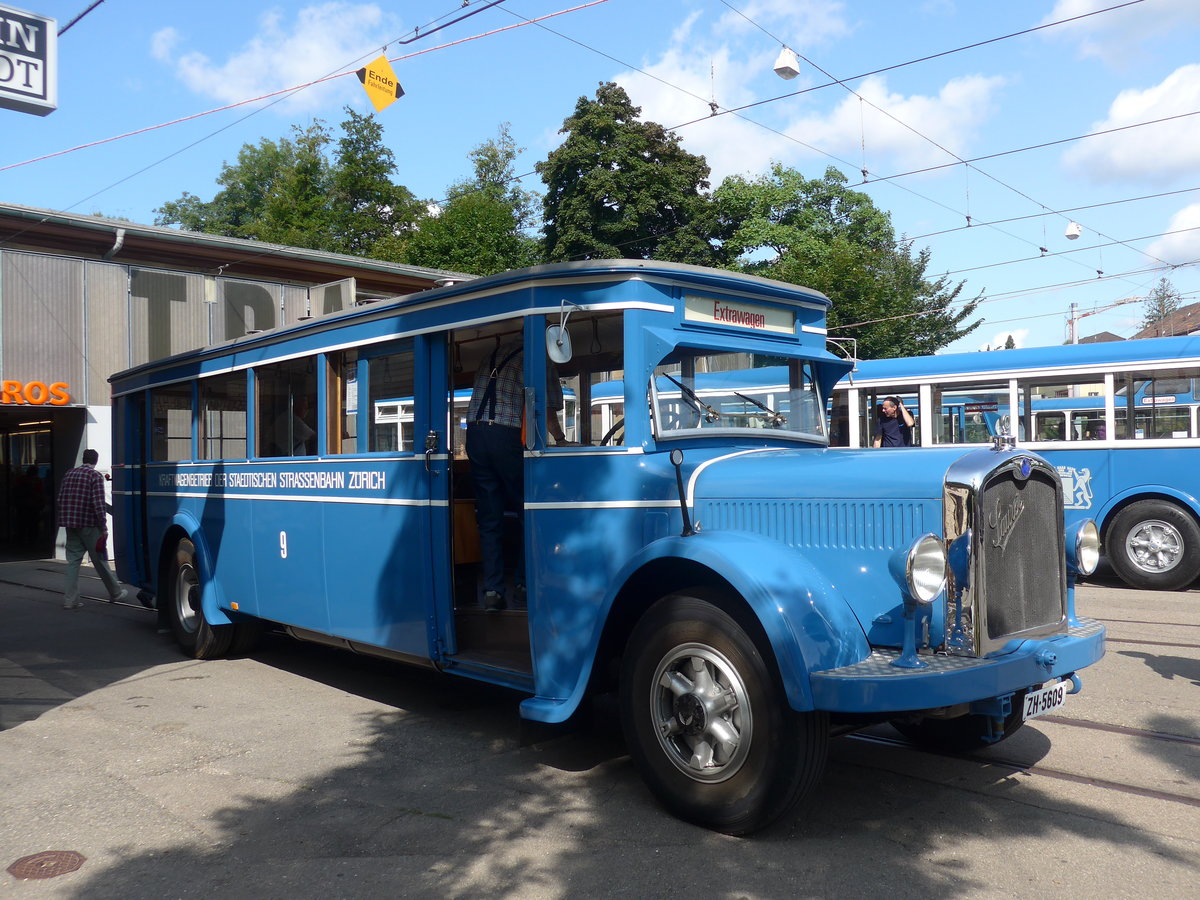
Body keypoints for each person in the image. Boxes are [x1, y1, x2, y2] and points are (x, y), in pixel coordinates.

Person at [465, 336, 567, 611]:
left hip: (475, 434)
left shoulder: (493, 351)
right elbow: (545, 408)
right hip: (505, 435)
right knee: (529, 510)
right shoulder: (539, 356)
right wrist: (560, 439)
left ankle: (492, 591)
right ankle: (524, 585)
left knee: (489, 518)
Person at [57, 449, 127, 609]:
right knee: (100, 560)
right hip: (89, 524)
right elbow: (98, 503)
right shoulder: (94, 476)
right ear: (96, 461)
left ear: (83, 459)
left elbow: (61, 497)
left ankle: (70, 600)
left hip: (70, 523)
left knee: (73, 561)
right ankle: (116, 593)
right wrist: (103, 526)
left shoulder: (69, 473)